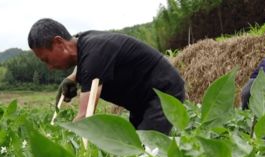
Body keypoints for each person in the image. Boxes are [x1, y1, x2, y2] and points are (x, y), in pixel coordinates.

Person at [28, 18, 186, 135]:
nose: (49, 67)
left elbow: (85, 117)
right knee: (133, 149)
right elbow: (86, 64)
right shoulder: (83, 43)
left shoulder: (94, 54)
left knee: (148, 154)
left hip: (163, 93)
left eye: (46, 59)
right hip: (142, 102)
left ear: (59, 43)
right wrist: (72, 78)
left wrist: (61, 140)